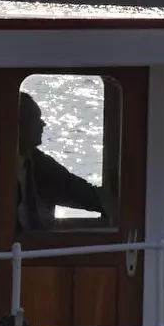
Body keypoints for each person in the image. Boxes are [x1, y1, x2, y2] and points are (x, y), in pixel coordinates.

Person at [16, 91, 113, 231]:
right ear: (20, 126)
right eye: (36, 118)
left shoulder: (40, 163)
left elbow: (74, 189)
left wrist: (110, 202)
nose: (43, 124)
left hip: (41, 245)